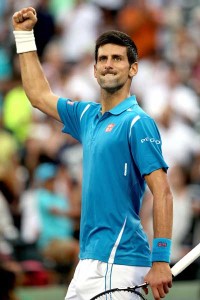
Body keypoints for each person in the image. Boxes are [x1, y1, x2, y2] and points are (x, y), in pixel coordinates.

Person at [12, 7, 173, 300]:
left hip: (119, 261)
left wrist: (161, 259)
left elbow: (162, 192)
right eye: (102, 59)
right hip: (88, 262)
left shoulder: (138, 122)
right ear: (95, 69)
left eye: (117, 58)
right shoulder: (87, 115)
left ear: (133, 68)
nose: (108, 64)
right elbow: (38, 95)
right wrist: (24, 36)